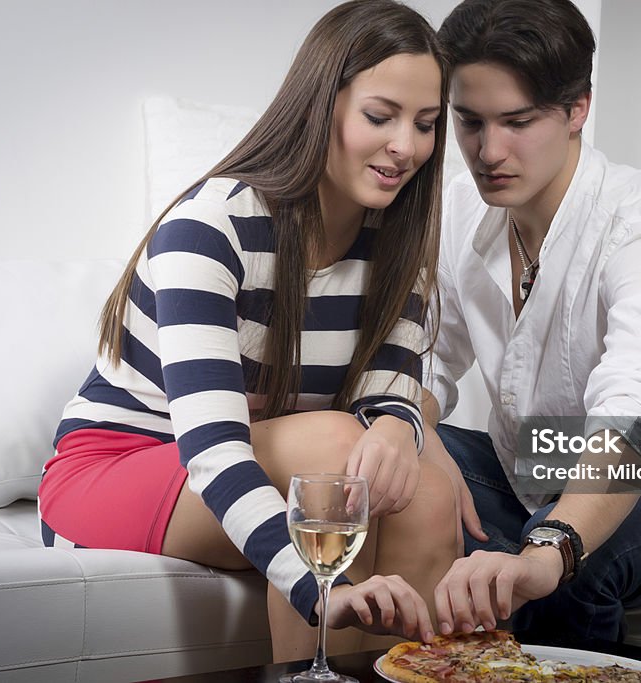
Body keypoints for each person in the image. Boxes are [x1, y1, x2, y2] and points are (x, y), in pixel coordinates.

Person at [37, 0, 456, 661]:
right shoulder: (213, 227)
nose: (407, 146)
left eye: (426, 124)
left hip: (280, 463)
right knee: (334, 451)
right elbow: (212, 449)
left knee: (426, 488)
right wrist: (317, 589)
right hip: (123, 468)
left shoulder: (399, 252)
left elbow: (389, 395)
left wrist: (403, 429)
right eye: (381, 116)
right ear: (323, 104)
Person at [421, 0, 641, 647]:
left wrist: (548, 548)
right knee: (378, 447)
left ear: (577, 107)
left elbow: (633, 423)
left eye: (517, 122)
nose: (487, 151)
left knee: (567, 565)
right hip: (530, 471)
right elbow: (425, 360)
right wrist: (408, 437)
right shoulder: (464, 208)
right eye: (469, 122)